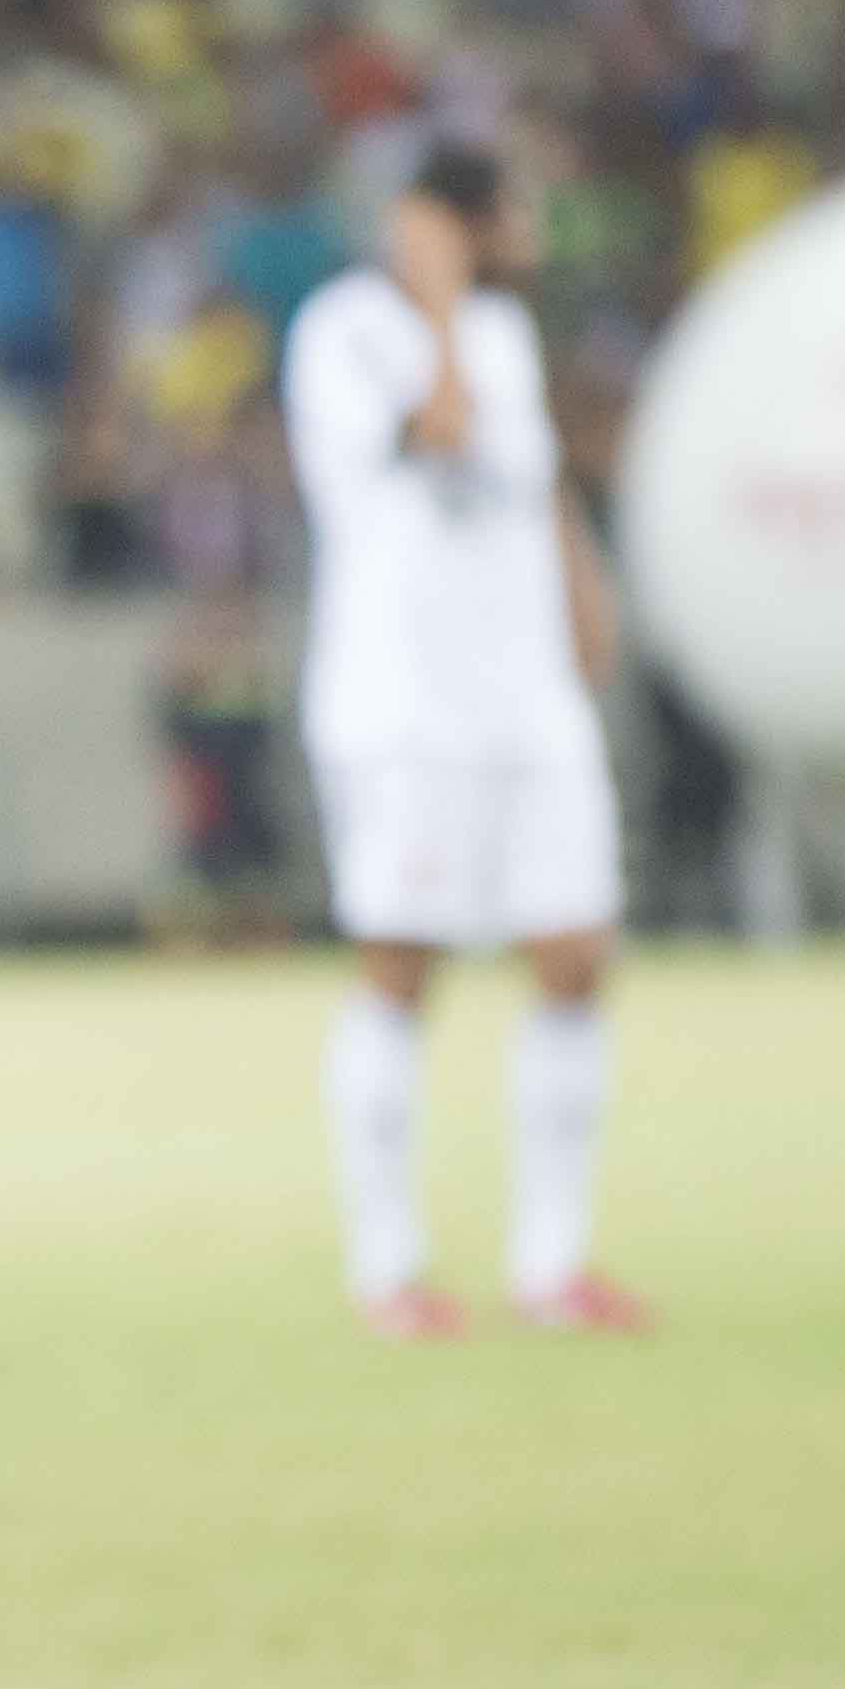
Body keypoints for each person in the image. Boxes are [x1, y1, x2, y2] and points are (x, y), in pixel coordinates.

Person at [280, 149, 640, 1339]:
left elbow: (527, 480)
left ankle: (553, 1264)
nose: (531, 226)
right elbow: (438, 428)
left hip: (524, 698)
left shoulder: (500, 331)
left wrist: (583, 595)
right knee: (403, 964)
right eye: (514, 206)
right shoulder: (345, 330)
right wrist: (431, 298)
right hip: (404, 704)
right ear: (441, 222)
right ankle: (389, 1269)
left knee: (577, 952)